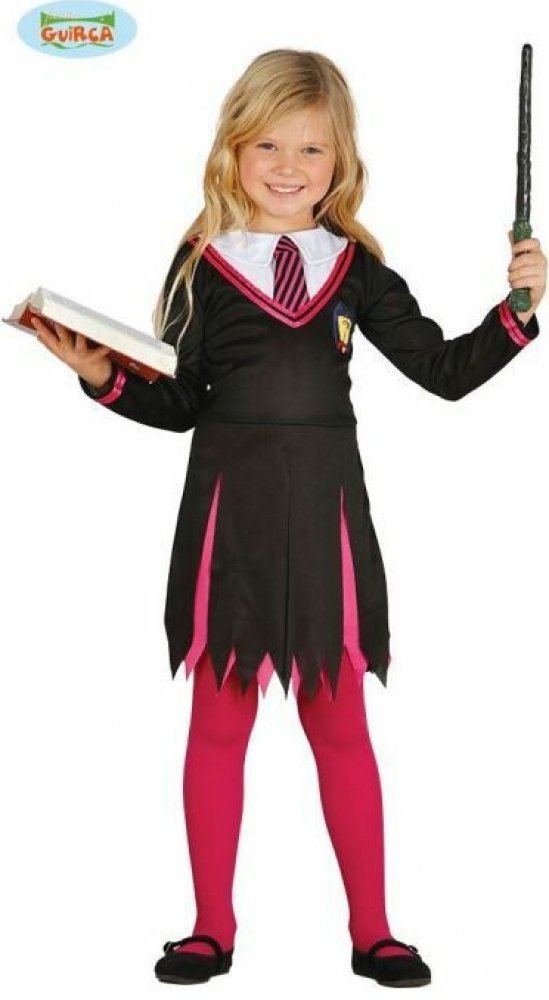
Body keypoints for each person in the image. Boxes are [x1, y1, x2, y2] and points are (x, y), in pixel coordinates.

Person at [30, 48, 546, 989]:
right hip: (227, 522)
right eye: (266, 143)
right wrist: (102, 375)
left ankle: (374, 931)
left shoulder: (357, 271)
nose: (286, 165)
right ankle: (210, 929)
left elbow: (444, 373)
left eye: (311, 148)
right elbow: (181, 402)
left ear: (340, 161)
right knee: (216, 725)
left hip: (325, 520)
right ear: (231, 148)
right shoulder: (201, 265)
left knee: (340, 725)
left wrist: (517, 309)